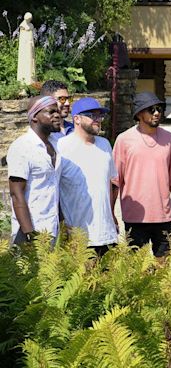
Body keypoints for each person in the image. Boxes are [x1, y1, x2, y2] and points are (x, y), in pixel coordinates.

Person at [112, 92, 171, 260]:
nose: (157, 113)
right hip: (135, 217)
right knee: (139, 273)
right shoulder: (124, 140)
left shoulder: (169, 139)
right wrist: (110, 212)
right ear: (138, 114)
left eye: (159, 108)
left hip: (164, 215)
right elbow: (115, 182)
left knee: (164, 268)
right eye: (151, 110)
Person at [58, 97, 118, 256]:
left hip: (107, 234)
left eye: (100, 116)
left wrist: (112, 215)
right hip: (79, 236)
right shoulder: (62, 147)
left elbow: (111, 184)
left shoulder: (104, 144)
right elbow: (54, 189)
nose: (98, 120)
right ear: (76, 118)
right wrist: (63, 226)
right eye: (92, 115)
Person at [7, 96, 61, 244]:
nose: (57, 115)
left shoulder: (57, 144)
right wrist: (29, 233)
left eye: (57, 111)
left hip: (52, 227)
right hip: (30, 231)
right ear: (35, 117)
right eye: (51, 112)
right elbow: (16, 193)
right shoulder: (22, 147)